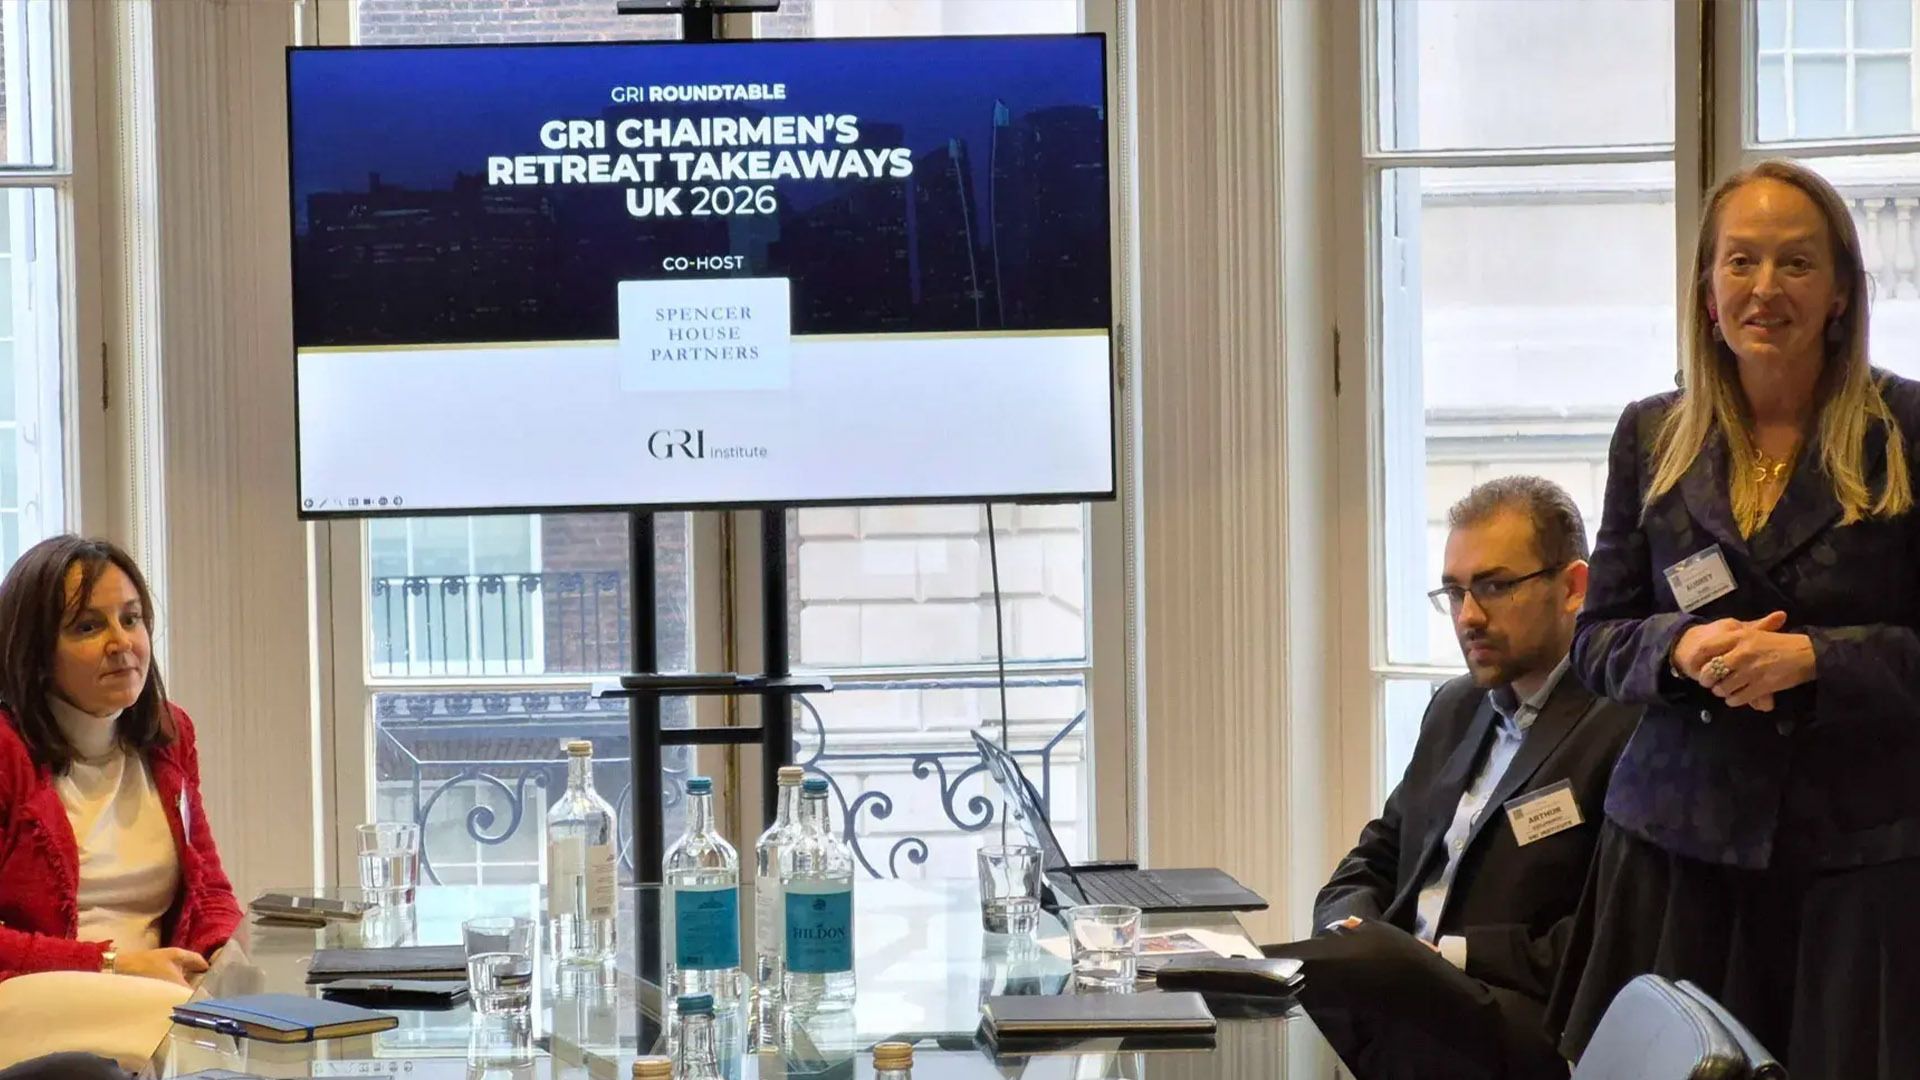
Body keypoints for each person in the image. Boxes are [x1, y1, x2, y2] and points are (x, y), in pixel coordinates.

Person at [1551, 159, 1920, 1077]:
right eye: (1741, 262)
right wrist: (1680, 646)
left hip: (1855, 867)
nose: (1765, 288)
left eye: (1796, 264)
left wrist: (1815, 660)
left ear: (1839, 291)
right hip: (1673, 851)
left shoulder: (1908, 428)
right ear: (1708, 290)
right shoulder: (1650, 432)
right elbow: (1596, 639)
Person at [1267, 477, 1638, 1080]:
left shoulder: (1624, 725)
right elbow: (1378, 854)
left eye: (1494, 586)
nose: (1469, 616)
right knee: (1229, 1015)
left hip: (1512, 1031)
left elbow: (1608, 937)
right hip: (1395, 1008)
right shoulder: (1455, 707)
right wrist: (1350, 933)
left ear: (1573, 587)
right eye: (1454, 591)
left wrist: (1438, 959)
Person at [0, 535, 242, 987]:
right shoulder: (6, 752)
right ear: (35, 655)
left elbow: (208, 889)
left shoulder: (170, 736)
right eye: (88, 627)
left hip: (155, 1003)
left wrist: (224, 953)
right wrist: (110, 965)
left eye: (131, 619)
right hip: (41, 1009)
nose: (121, 642)